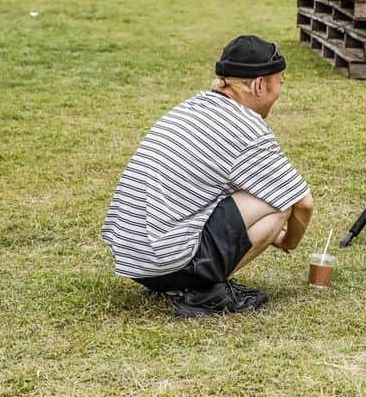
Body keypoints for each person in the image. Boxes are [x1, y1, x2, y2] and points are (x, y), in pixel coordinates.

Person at [101, 35, 314, 317]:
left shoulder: (190, 107)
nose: (280, 91)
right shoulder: (247, 129)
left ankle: (183, 279)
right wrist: (288, 241)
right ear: (260, 85)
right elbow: (303, 203)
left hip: (135, 261)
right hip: (167, 265)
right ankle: (205, 292)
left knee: (254, 192)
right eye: (281, 82)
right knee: (279, 205)